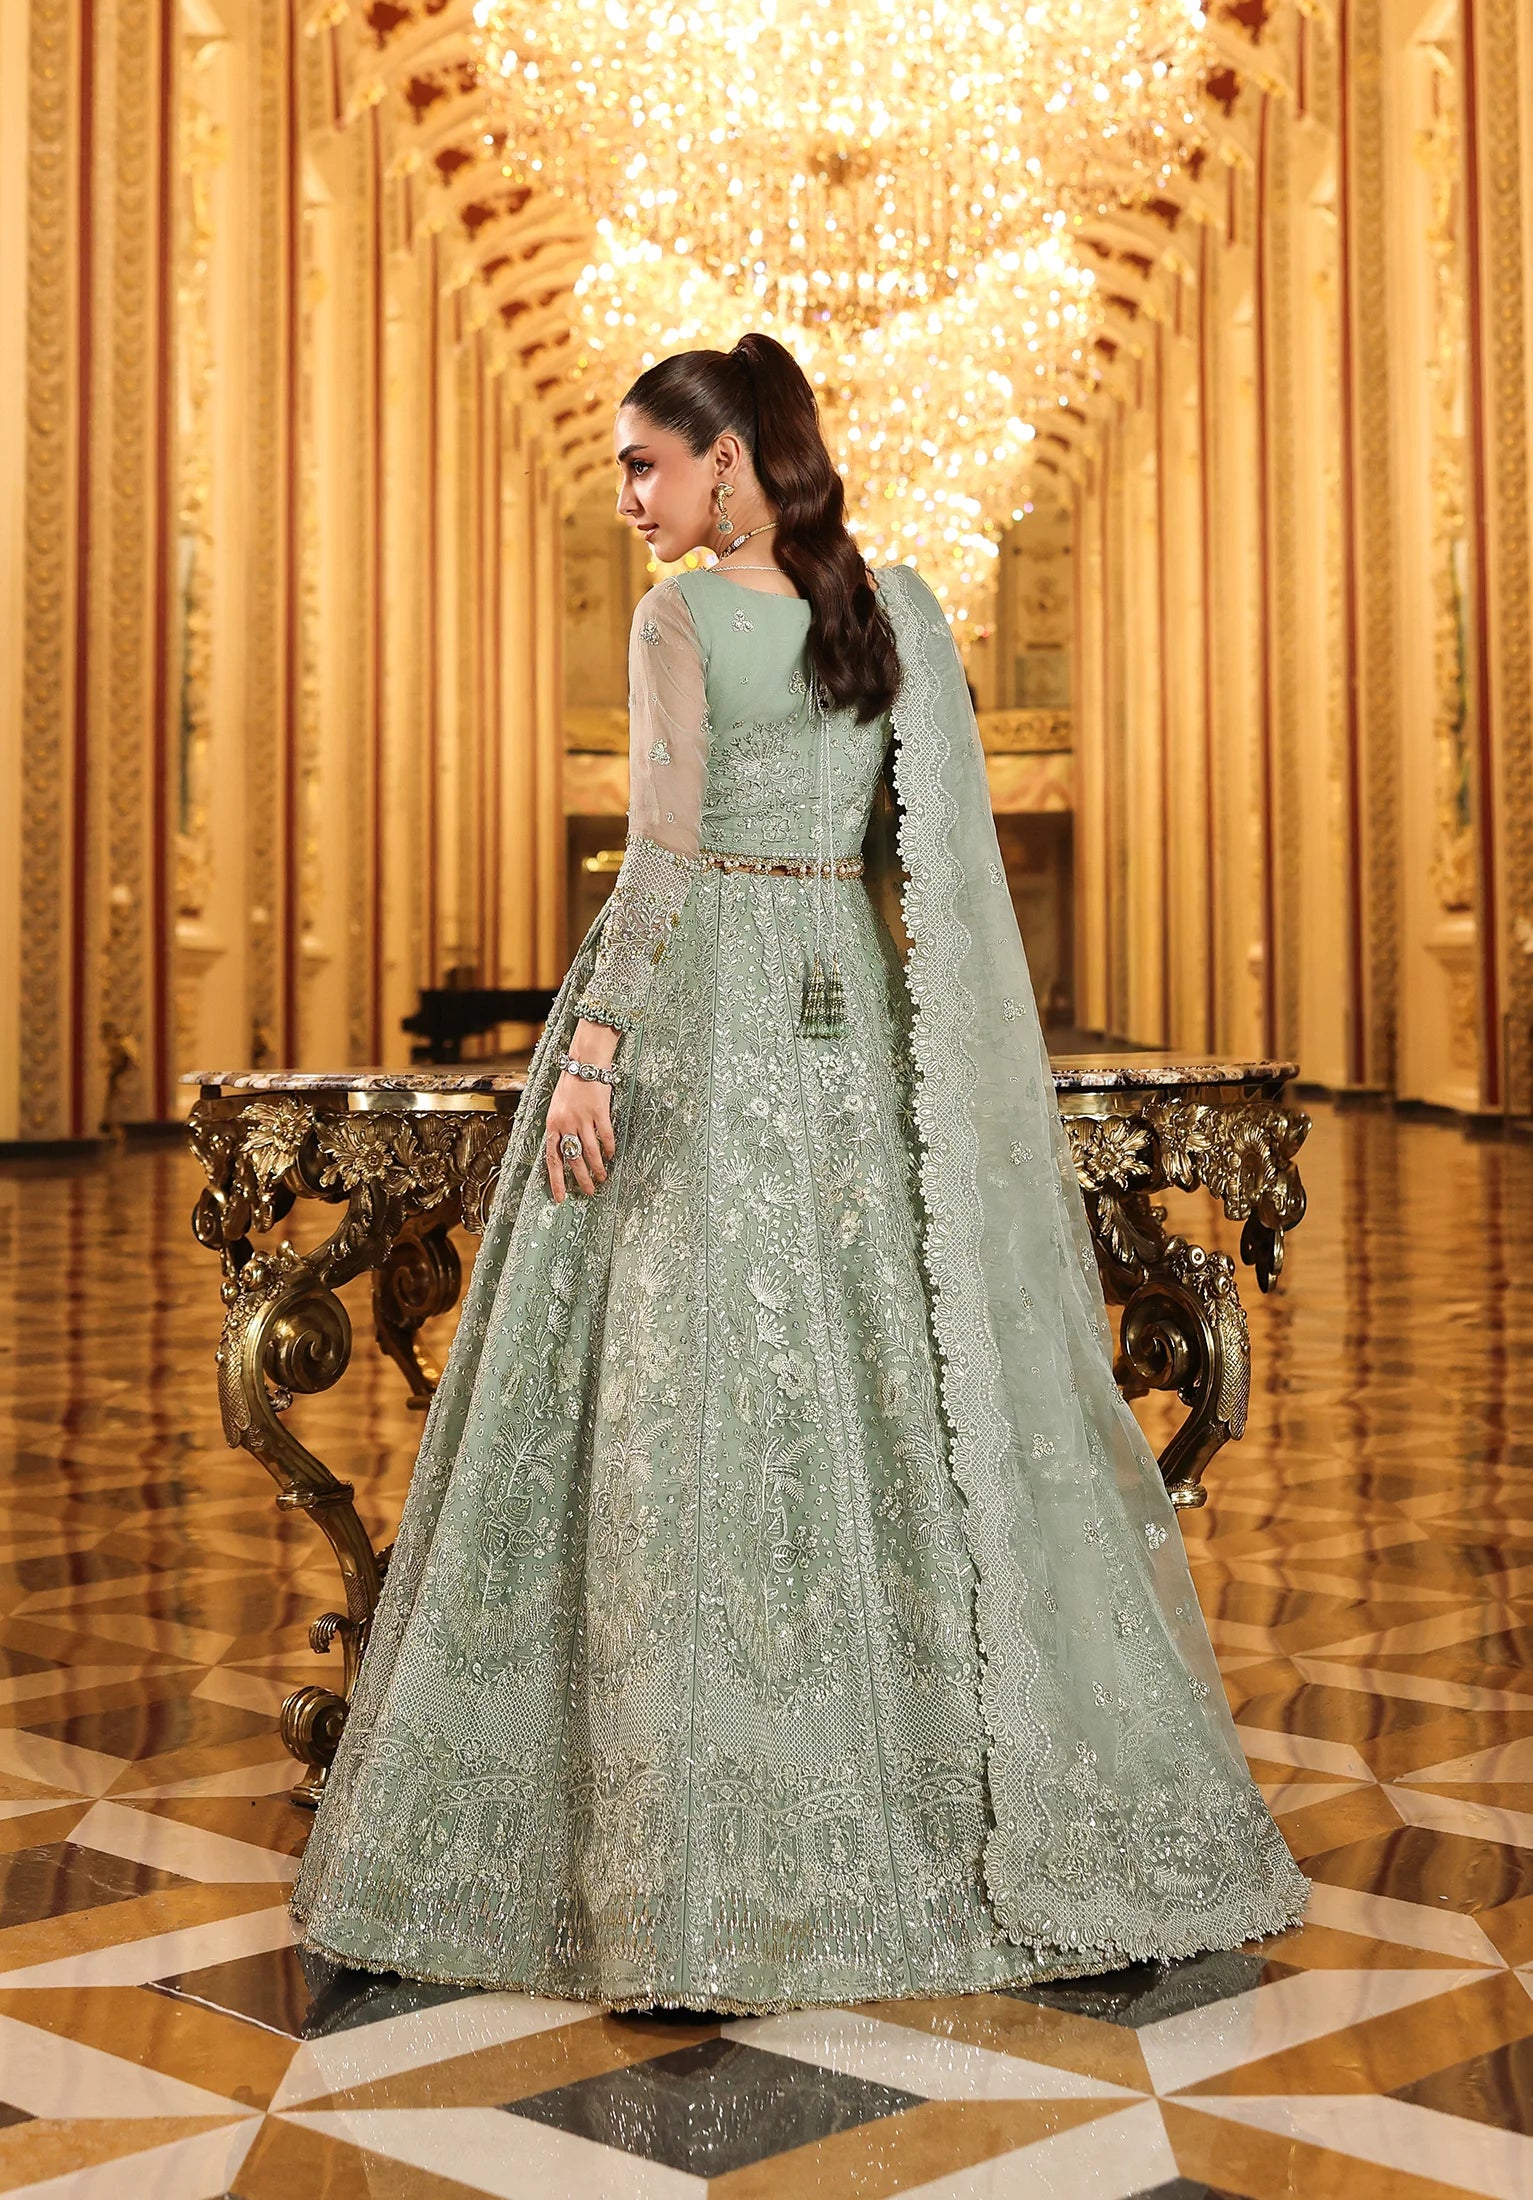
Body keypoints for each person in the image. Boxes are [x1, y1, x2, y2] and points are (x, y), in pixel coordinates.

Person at [291, 333, 1307, 2013]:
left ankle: (681, 1827)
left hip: (700, 1012)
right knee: (873, 1365)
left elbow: (663, 853)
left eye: (645, 463)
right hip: (848, 1012)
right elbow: (936, 880)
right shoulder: (893, 612)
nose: (627, 496)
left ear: (727, 459)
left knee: (676, 1377)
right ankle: (912, 1775)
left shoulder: (680, 619)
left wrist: (591, 1050)